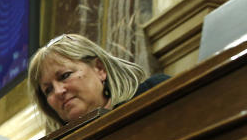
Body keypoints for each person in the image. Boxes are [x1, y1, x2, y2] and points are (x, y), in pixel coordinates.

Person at [28, 33, 169, 133]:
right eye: (48, 90)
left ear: (100, 69)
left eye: (65, 76)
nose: (58, 91)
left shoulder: (156, 92)